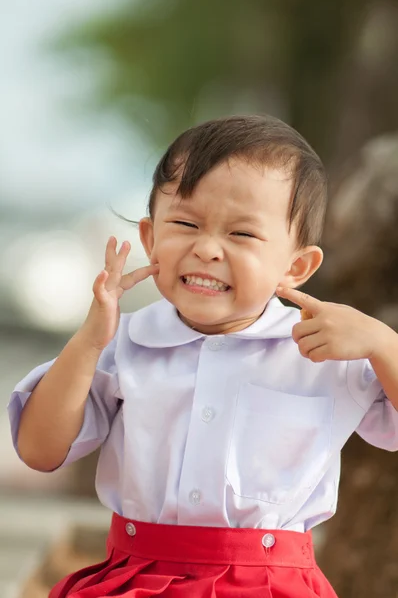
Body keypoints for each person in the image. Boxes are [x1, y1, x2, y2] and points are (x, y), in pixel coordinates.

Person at [7, 114, 398, 598]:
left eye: (242, 234)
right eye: (186, 224)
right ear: (150, 239)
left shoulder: (323, 348)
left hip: (272, 585)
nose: (207, 248)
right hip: (135, 578)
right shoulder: (123, 344)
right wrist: (89, 342)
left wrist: (385, 343)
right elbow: (40, 450)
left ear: (296, 266)